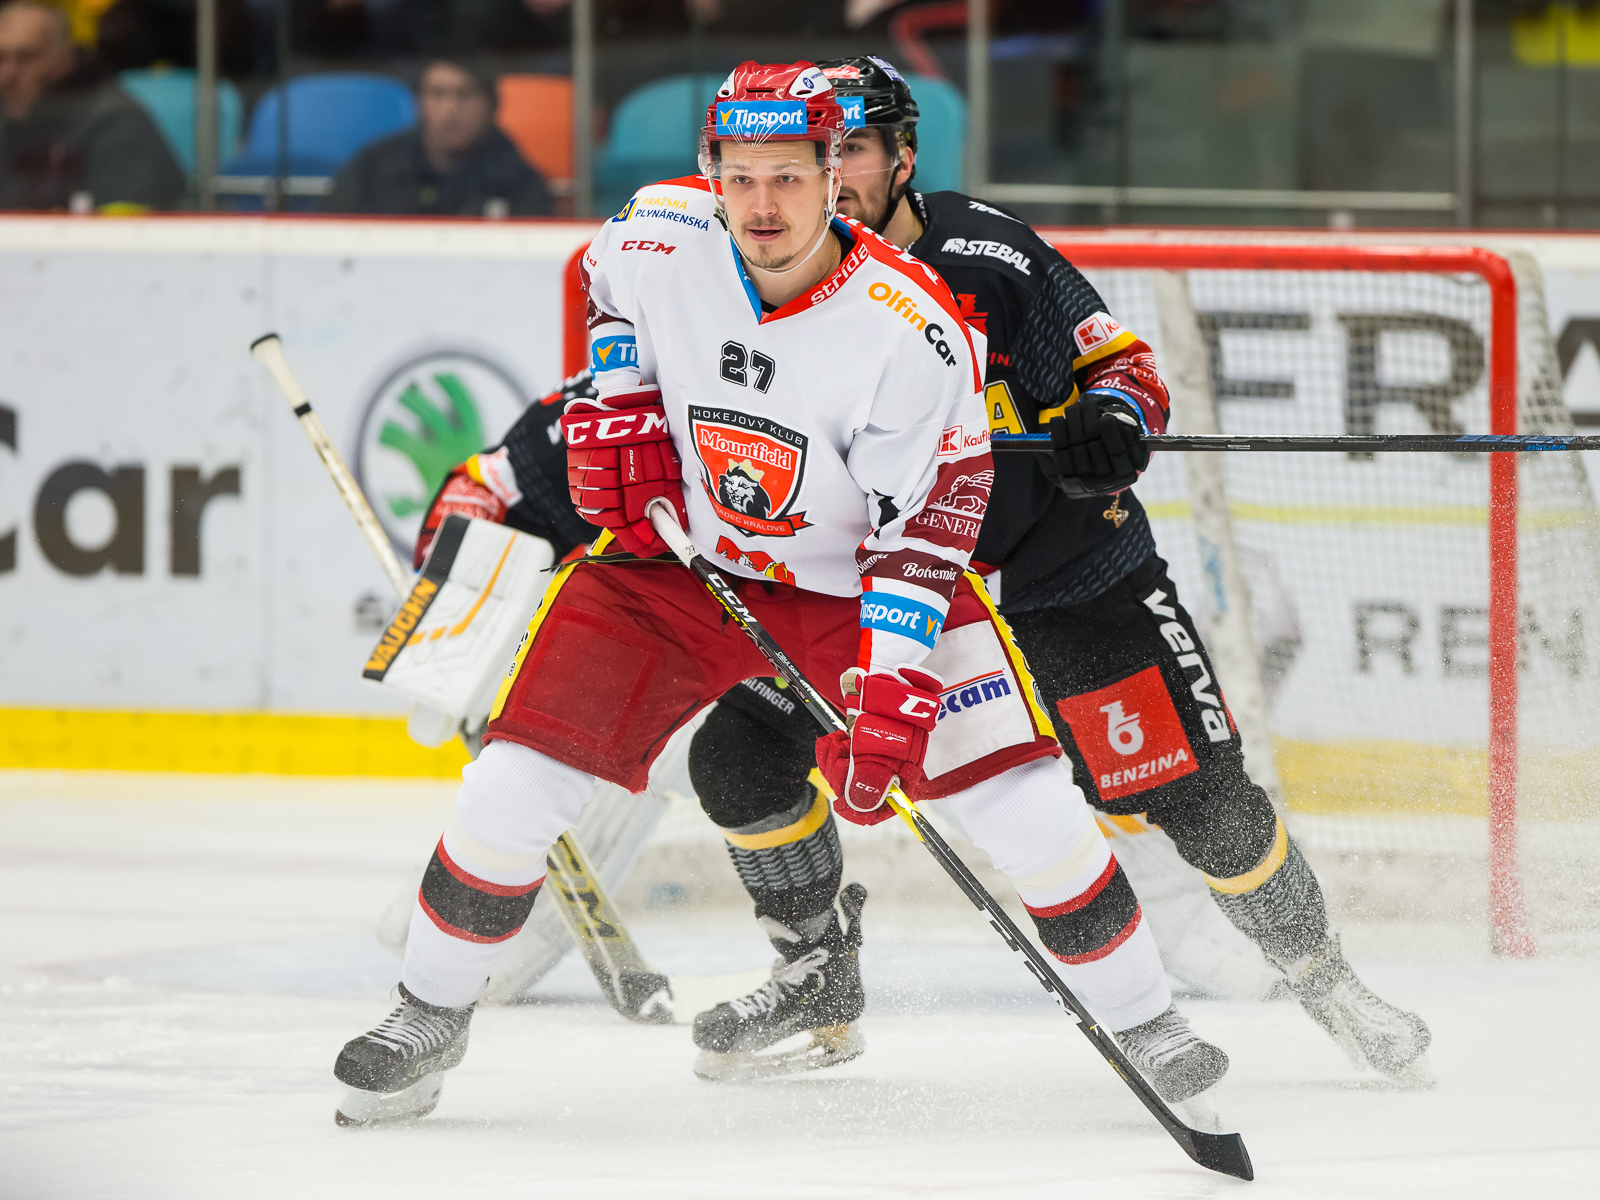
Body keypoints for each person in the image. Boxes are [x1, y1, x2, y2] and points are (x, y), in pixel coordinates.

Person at [331, 59, 1227, 1128]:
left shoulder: (912, 330)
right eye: (741, 177)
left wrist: (891, 684)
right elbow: (606, 284)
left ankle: (1147, 1022)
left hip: (859, 585)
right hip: (677, 570)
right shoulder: (659, 232)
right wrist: (622, 396)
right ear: (709, 172)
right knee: (510, 788)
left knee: (1025, 805)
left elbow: (922, 532)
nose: (762, 205)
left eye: (790, 177)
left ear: (833, 177)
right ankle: (427, 1016)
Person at [679, 56, 1433, 1086]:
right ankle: (816, 974)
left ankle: (1325, 979)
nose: (831, 172)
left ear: (903, 159)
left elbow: (1122, 368)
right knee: (736, 757)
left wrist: (1108, 421)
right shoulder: (745, 280)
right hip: (891, 600)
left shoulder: (990, 257)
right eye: (819, 151)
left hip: (1061, 580)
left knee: (1202, 805)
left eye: (853, 148)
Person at [0, 0, 183, 211]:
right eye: (0, 58)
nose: (7, 75)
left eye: (26, 58)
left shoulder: (116, 122)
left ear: (65, 60)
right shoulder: (8, 116)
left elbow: (131, 222)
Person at [323, 56, 553, 219]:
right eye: (437, 94)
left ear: (491, 106)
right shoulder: (375, 165)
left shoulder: (515, 175)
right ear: (418, 103)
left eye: (464, 95)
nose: (449, 110)